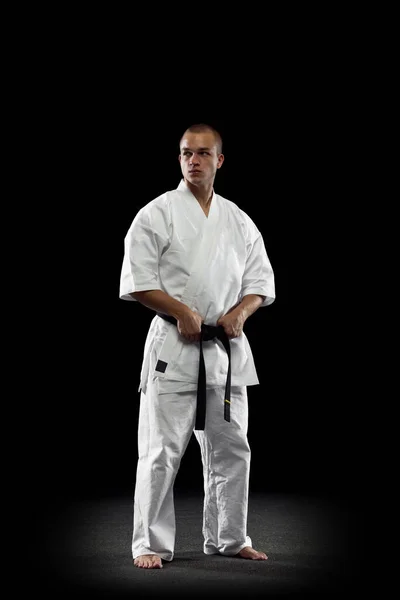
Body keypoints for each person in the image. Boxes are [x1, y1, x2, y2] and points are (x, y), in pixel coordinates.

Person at [119, 123, 275, 569]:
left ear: (219, 160)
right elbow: (138, 280)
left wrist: (240, 313)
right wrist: (182, 311)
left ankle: (230, 538)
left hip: (224, 350)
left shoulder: (238, 219)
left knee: (232, 448)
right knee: (160, 451)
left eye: (204, 154)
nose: (194, 161)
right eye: (187, 153)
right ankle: (149, 544)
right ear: (179, 157)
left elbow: (260, 283)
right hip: (175, 345)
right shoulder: (156, 213)